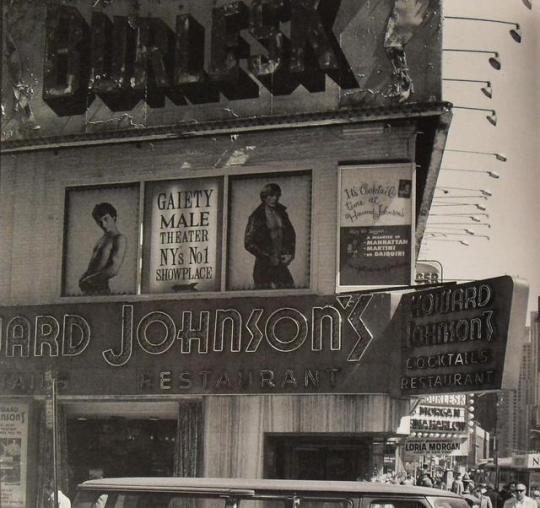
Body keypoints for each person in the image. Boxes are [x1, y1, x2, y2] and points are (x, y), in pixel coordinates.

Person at [244, 183, 296, 289]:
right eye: (271, 196)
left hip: (280, 264)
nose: (274, 199)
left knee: (291, 294)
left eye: (277, 196)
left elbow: (291, 234)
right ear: (264, 197)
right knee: (263, 300)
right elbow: (248, 243)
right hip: (263, 266)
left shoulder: (282, 213)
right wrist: (266, 257)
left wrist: (290, 253)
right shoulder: (256, 216)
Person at [79, 202, 127, 295]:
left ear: (114, 218)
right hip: (89, 288)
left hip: (100, 289)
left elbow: (114, 269)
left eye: (106, 219)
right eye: (99, 221)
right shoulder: (102, 239)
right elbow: (94, 264)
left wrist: (89, 280)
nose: (103, 224)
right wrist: (84, 277)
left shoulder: (119, 238)